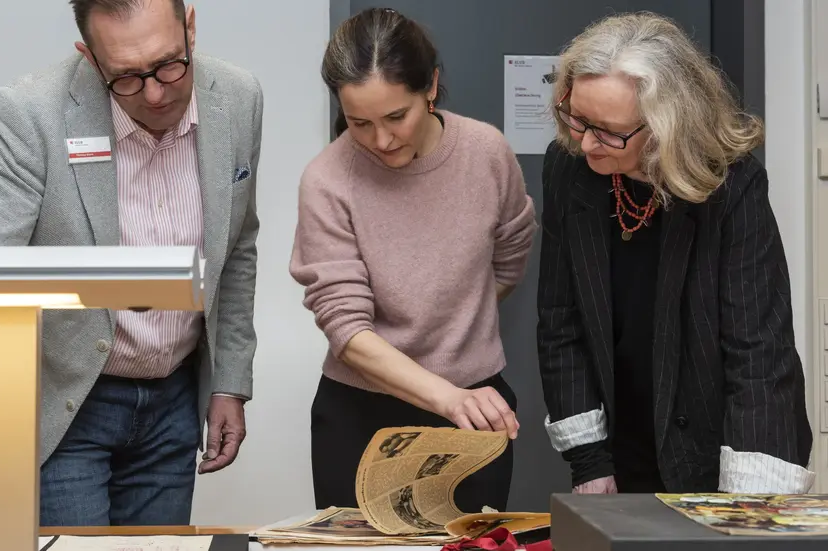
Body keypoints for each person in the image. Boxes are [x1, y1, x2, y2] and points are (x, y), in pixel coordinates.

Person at [0, 0, 262, 530]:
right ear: (89, 57)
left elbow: (237, 247)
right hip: (66, 401)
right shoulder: (31, 113)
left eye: (171, 64)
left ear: (190, 26)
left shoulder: (239, 99)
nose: (155, 93)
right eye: (125, 77)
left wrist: (228, 383)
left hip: (175, 398)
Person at [536, 11, 814, 495]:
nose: (585, 143)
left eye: (608, 130)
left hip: (723, 443)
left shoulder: (731, 183)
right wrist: (589, 461)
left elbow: (758, 351)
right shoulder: (568, 169)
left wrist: (746, 509)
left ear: (667, 123)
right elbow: (562, 323)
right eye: (576, 117)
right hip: (624, 442)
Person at [289, 7, 537, 511]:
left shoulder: (487, 153)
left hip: (475, 409)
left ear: (431, 87)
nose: (381, 141)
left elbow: (511, 257)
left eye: (396, 117)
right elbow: (347, 329)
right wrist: (445, 394)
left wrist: (456, 323)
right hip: (360, 415)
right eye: (360, 123)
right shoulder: (327, 180)